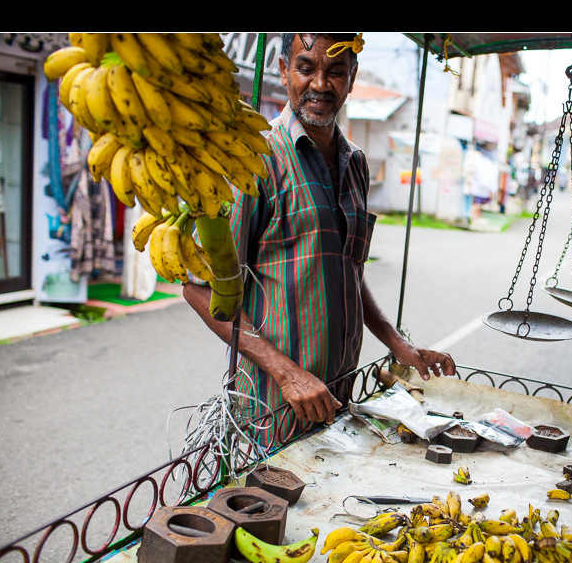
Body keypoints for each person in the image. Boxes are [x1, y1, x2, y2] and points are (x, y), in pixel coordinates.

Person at [184, 33, 455, 443]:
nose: (320, 84)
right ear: (283, 70)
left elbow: (346, 268)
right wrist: (288, 374)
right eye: (306, 68)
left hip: (339, 396)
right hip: (274, 405)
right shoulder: (255, 159)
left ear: (352, 76)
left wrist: (400, 345)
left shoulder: (356, 163)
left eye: (336, 72)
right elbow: (200, 289)